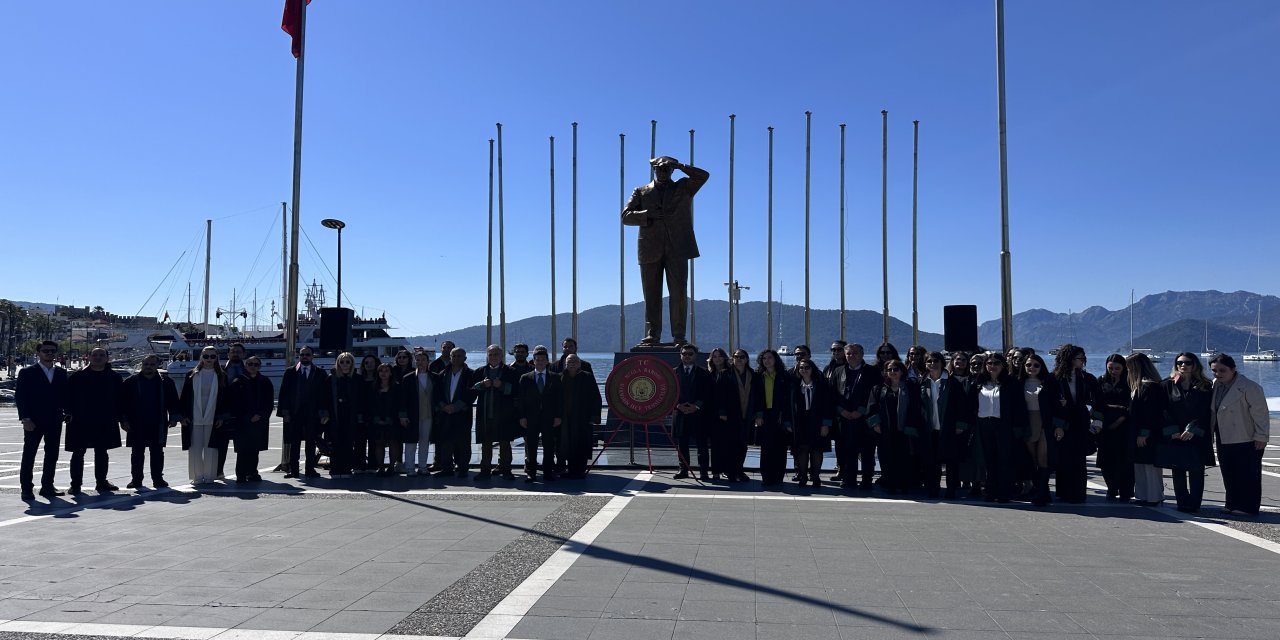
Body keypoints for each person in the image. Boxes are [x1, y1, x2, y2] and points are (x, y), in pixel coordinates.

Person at [621, 155, 710, 345]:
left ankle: (679, 335)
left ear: (672, 170)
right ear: (654, 169)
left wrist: (681, 165)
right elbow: (625, 216)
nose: (662, 172)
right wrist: (647, 214)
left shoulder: (684, 187)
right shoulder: (641, 191)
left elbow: (703, 176)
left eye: (667, 169)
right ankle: (652, 334)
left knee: (679, 294)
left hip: (678, 248)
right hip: (649, 248)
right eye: (659, 169)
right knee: (651, 294)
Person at [1209, 354, 1269, 516]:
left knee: (1248, 473)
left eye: (1222, 370)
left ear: (1233, 369)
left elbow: (1261, 414)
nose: (1218, 374)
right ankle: (1232, 503)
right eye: (1214, 370)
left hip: (1246, 436)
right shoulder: (1215, 385)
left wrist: (1261, 436)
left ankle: (1248, 507)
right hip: (1223, 435)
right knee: (1228, 471)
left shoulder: (1250, 387)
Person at [1160, 353, 1215, 513]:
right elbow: (1162, 409)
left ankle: (1195, 503)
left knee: (1197, 469)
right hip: (1176, 434)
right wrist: (1172, 430)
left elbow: (1207, 411)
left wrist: (1193, 428)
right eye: (1179, 363)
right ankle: (1182, 502)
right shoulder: (1167, 384)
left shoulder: (1205, 385)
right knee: (1178, 469)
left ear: (1195, 365)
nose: (1183, 365)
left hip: (1197, 434)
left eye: (1187, 363)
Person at [16, 340, 69, 500]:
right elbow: (21, 397)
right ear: (38, 353)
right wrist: (25, 418)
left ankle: (47, 486)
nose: (49, 353)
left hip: (54, 420)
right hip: (33, 420)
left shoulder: (61, 373)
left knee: (52, 454)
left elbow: (65, 396)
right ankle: (26, 488)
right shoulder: (27, 372)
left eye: (52, 351)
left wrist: (68, 412)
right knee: (29, 454)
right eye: (46, 351)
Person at [64, 347, 122, 494]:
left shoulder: (114, 377)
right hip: (80, 420)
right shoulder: (77, 376)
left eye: (101, 355)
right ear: (89, 357)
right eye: (94, 355)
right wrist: (68, 413)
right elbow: (67, 397)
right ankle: (75, 484)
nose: (98, 357)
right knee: (78, 453)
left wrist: (122, 418)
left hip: (105, 420)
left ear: (107, 358)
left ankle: (101, 482)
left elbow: (121, 399)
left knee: (102, 452)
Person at [971, 353, 1027, 503]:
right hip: (984, 424)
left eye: (996, 363)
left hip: (1004, 424)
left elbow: (1019, 407)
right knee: (989, 459)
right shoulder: (978, 382)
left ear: (1003, 365)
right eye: (989, 363)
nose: (992, 366)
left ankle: (1005, 492)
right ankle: (990, 491)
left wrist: (1018, 428)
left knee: (1005, 459)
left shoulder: (1011, 383)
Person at [120, 355, 180, 489]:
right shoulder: (131, 382)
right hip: (136, 422)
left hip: (158, 422)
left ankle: (158, 479)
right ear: (142, 365)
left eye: (152, 364)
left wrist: (174, 417)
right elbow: (122, 403)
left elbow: (173, 401)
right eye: (146, 364)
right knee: (137, 452)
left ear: (157, 365)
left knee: (157, 452)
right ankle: (136, 479)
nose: (148, 367)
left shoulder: (166, 382)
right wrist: (123, 420)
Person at [1049, 344, 1100, 504]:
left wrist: (1097, 421)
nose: (1083, 361)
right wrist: (1058, 425)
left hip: (1081, 422)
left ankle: (1078, 494)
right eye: (1080, 358)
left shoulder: (1087, 378)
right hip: (1062, 422)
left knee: (1079, 459)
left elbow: (1098, 401)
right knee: (1063, 458)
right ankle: (1063, 492)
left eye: (1084, 358)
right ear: (1070, 359)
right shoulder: (1054, 379)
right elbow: (1050, 405)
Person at [867, 359, 923, 494]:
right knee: (887, 457)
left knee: (905, 457)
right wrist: (875, 423)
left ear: (902, 371)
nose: (892, 372)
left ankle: (904, 483)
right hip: (886, 429)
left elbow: (916, 407)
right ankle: (889, 483)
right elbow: (871, 407)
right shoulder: (878, 388)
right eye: (889, 369)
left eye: (895, 369)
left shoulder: (910, 387)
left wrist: (912, 425)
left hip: (905, 428)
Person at [830, 343, 881, 490]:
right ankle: (849, 479)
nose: (851, 356)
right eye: (849, 353)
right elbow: (832, 394)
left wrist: (862, 410)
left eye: (855, 353)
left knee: (867, 451)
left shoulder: (872, 372)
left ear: (862, 355)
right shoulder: (838, 371)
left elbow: (876, 394)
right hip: (844, 418)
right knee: (847, 450)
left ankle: (866, 480)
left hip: (865, 418)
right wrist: (841, 410)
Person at [276, 346, 331, 479]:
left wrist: (324, 413)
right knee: (294, 443)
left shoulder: (320, 373)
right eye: (302, 354)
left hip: (313, 414)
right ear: (299, 356)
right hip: (294, 414)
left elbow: (325, 395)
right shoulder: (290, 372)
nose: (304, 357)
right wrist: (285, 413)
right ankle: (293, 470)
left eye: (307, 354)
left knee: (311, 443)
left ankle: (310, 469)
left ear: (312, 356)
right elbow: (283, 394)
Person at [922, 351, 970, 500]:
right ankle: (934, 489)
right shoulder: (922, 383)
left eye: (936, 361)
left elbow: (963, 406)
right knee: (932, 461)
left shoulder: (952, 382)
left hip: (949, 428)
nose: (933, 364)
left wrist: (960, 425)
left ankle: (951, 490)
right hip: (930, 428)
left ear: (942, 363)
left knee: (951, 461)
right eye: (929, 361)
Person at [180, 346, 228, 485]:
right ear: (201, 357)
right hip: (194, 416)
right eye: (206, 356)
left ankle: (209, 476)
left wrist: (221, 417)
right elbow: (184, 397)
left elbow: (225, 399)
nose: (209, 359)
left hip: (213, 417)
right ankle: (197, 476)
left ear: (216, 358)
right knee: (195, 448)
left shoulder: (221, 376)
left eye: (212, 356)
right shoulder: (192, 374)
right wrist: (183, 416)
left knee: (211, 448)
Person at [716, 349, 763, 483]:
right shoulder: (724, 374)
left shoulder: (754, 375)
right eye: (736, 357)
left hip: (748, 415)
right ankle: (731, 472)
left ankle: (739, 470)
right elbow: (719, 395)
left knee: (743, 444)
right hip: (730, 415)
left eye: (742, 357)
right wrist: (722, 412)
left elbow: (759, 396)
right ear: (732, 359)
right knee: (731, 444)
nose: (739, 359)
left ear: (746, 359)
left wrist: (759, 414)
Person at [471, 345, 518, 480]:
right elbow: (472, 390)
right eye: (490, 354)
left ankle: (506, 470)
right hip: (485, 414)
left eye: (496, 354)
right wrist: (482, 384)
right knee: (486, 443)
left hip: (504, 413)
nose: (493, 357)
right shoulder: (480, 371)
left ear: (501, 356)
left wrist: (502, 385)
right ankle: (485, 470)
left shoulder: (511, 371)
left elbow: (516, 391)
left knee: (505, 443)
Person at [1126, 352, 1167, 506]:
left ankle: (1154, 496)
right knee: (1140, 464)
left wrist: (1143, 433)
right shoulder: (1141, 386)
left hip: (1147, 433)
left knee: (1149, 466)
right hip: (1139, 432)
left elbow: (1150, 414)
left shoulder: (1149, 386)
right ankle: (1143, 495)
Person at [1017, 353, 1057, 506]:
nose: (1032, 367)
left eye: (1036, 365)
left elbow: (1056, 404)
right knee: (1033, 459)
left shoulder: (1049, 381)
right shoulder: (1019, 383)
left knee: (1042, 458)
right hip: (1028, 423)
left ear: (1041, 367)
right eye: (1028, 365)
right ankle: (1041, 489)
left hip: (1045, 423)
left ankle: (1041, 492)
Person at [517, 347, 561, 482]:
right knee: (531, 446)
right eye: (538, 359)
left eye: (543, 360)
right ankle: (531, 472)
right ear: (533, 361)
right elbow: (520, 399)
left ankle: (548, 472)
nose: (540, 362)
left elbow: (560, 399)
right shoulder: (525, 378)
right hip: (531, 418)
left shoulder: (555, 377)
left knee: (549, 446)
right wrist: (522, 417)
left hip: (549, 417)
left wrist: (558, 416)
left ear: (547, 362)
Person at [229, 355, 273, 483]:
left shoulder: (265, 381)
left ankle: (253, 472)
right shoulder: (238, 382)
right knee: (242, 450)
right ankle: (241, 474)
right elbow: (233, 404)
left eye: (256, 364)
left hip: (259, 421)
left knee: (255, 449)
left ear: (259, 367)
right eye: (250, 364)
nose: (253, 367)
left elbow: (269, 403)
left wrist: (261, 415)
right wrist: (247, 417)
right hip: (242, 422)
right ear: (245, 365)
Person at [1095, 354, 1133, 501]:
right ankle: (1111, 488)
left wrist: (1120, 419)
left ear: (1124, 368)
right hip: (1105, 426)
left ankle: (1125, 490)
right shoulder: (1101, 381)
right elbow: (1097, 403)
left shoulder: (1129, 382)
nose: (1113, 371)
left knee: (1124, 461)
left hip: (1124, 426)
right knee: (1106, 460)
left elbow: (1131, 405)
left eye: (1117, 368)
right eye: (1110, 368)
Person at [790, 358, 833, 488]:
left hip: (817, 422)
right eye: (801, 368)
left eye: (807, 367)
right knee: (802, 449)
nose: (804, 370)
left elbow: (828, 406)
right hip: (800, 422)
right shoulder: (794, 385)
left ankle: (816, 476)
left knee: (817, 450)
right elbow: (788, 406)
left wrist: (826, 424)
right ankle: (803, 476)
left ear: (812, 369)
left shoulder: (822, 384)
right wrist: (788, 423)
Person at [673, 344, 713, 480]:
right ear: (680, 355)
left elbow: (708, 393)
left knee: (702, 445)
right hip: (680, 414)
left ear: (695, 355)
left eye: (690, 354)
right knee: (682, 445)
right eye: (684, 354)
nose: (687, 356)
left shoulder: (704, 373)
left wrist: (696, 406)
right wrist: (678, 405)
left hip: (699, 415)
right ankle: (683, 470)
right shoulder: (673, 373)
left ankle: (704, 471)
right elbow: (669, 393)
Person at [559, 354, 602, 479]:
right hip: (566, 418)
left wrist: (594, 417)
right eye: (569, 362)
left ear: (579, 364)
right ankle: (570, 470)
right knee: (567, 444)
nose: (572, 364)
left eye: (574, 361)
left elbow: (596, 397)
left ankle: (580, 470)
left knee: (582, 443)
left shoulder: (587, 377)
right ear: (565, 364)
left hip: (583, 418)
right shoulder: (560, 377)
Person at [755, 349, 793, 486]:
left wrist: (786, 419)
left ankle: (778, 477)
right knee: (766, 447)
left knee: (780, 448)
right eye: (764, 358)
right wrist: (758, 415)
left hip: (780, 415)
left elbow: (788, 399)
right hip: (764, 415)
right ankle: (766, 477)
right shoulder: (758, 376)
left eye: (770, 357)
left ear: (776, 359)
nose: (767, 361)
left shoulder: (785, 376)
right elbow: (756, 398)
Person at [214, 343, 246, 478]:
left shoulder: (249, 369)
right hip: (223, 412)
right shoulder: (219, 371)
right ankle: (218, 471)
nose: (235, 354)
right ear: (228, 354)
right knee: (221, 444)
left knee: (244, 445)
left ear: (243, 354)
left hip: (243, 413)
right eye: (233, 352)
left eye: (238, 352)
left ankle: (244, 472)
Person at [326, 352, 360, 478]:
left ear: (352, 363)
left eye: (347, 362)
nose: (344, 364)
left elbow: (362, 399)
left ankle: (346, 468)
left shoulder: (357, 379)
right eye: (342, 362)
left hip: (351, 415)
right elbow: (324, 397)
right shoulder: (331, 379)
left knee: (349, 442)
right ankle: (335, 468)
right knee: (335, 443)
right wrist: (324, 414)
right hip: (335, 415)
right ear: (338, 364)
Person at [368, 364, 401, 476]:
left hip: (393, 419)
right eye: (381, 371)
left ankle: (391, 467)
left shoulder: (397, 387)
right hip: (376, 419)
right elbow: (369, 404)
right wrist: (375, 418)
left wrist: (394, 417)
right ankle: (381, 467)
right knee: (379, 443)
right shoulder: (373, 387)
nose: (383, 373)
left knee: (393, 442)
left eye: (386, 371)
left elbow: (400, 404)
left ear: (391, 373)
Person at [822, 340, 848, 482]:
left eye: (839, 349)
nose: (836, 352)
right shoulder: (828, 368)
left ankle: (850, 470)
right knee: (838, 442)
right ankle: (840, 468)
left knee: (848, 442)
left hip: (845, 411)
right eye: (833, 350)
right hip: (830, 411)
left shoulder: (849, 367)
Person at [706, 348, 732, 480]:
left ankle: (727, 469)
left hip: (727, 413)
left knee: (727, 442)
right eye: (714, 356)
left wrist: (723, 410)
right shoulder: (708, 374)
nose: (717, 358)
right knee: (715, 444)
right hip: (711, 414)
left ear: (724, 357)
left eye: (720, 356)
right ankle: (715, 470)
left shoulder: (730, 373)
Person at [356, 354, 381, 473]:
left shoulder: (380, 380)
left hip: (375, 413)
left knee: (374, 441)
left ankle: (372, 465)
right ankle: (359, 465)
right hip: (360, 413)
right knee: (359, 441)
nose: (369, 365)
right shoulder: (358, 379)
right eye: (366, 362)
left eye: (371, 362)